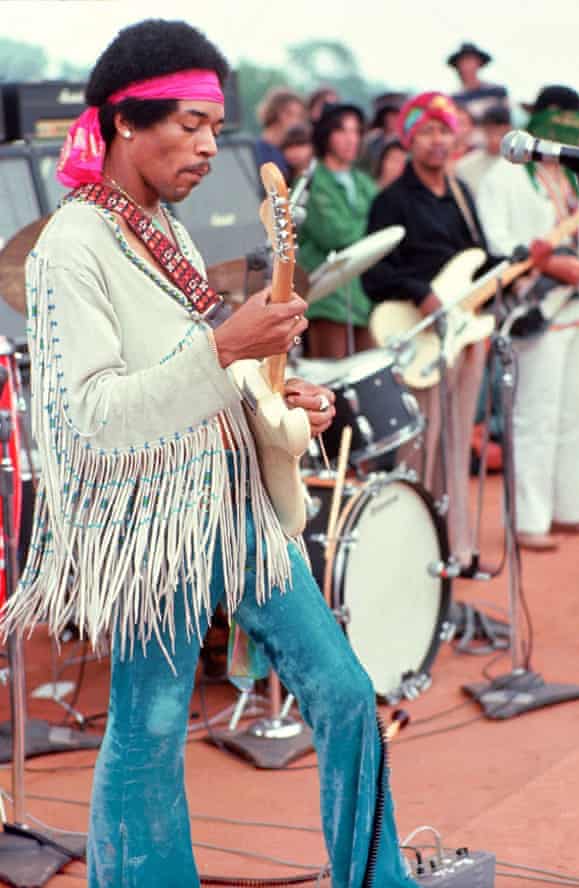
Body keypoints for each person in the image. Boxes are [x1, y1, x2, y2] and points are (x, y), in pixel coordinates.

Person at [0, 20, 415, 888]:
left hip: (236, 510)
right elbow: (87, 421)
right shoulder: (69, 247)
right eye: (185, 124)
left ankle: (378, 879)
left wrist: (278, 395)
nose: (205, 146)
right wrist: (225, 349)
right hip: (151, 527)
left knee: (342, 694)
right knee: (148, 728)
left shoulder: (170, 233)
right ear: (122, 122)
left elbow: (200, 374)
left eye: (212, 126)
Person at [362, 92, 494, 571]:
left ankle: (454, 548)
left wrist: (520, 262)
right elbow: (374, 275)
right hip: (415, 337)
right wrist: (421, 292)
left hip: (462, 337)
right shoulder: (390, 202)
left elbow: (479, 259)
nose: (438, 142)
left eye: (445, 131)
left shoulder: (462, 194)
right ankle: (406, 554)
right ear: (410, 138)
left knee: (457, 445)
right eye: (428, 132)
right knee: (418, 447)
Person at [478, 85, 579, 551]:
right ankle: (529, 519)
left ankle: (572, 508)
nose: (567, 130)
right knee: (537, 413)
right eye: (559, 120)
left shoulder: (576, 174)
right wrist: (549, 264)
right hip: (536, 305)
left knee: (576, 412)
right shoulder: (503, 176)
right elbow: (497, 242)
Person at [297, 103, 377, 357]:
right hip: (327, 299)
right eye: (342, 131)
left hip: (365, 297)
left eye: (356, 131)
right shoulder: (312, 181)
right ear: (326, 135)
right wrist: (372, 228)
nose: (350, 139)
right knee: (332, 382)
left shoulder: (363, 181)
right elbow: (336, 234)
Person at [455, 104, 511, 197]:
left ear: (509, 130)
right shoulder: (464, 165)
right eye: (490, 131)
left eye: (500, 132)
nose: (495, 139)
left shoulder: (519, 165)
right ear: (483, 129)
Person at [447, 41, 509, 126]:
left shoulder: (497, 92)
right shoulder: (454, 99)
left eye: (469, 60)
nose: (466, 66)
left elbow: (506, 123)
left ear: (479, 63)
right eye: (462, 62)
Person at [254, 87, 307, 178]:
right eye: (289, 114)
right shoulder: (256, 150)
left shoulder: (289, 152)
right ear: (273, 112)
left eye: (299, 116)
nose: (295, 121)